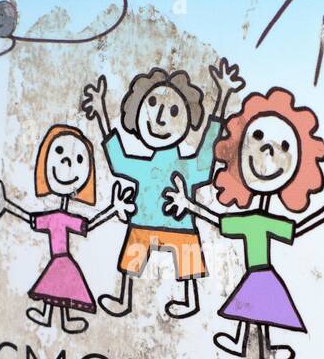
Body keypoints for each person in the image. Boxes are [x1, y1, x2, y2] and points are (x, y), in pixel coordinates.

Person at [161, 87, 324, 359]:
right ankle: (246, 344)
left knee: (257, 307)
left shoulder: (266, 221)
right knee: (253, 307)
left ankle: (259, 347)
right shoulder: (247, 220)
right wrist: (189, 204)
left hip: (263, 273)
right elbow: (218, 221)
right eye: (257, 137)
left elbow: (297, 229)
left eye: (284, 146)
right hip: (258, 273)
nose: (269, 151)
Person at [81, 58, 244, 319]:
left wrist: (223, 97)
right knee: (133, 251)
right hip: (143, 222)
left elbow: (205, 161)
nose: (160, 118)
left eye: (174, 111)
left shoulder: (187, 167)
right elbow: (118, 161)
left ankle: (190, 298)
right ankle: (125, 298)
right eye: (153, 105)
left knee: (188, 255)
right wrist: (100, 111)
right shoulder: (144, 167)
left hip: (180, 226)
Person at [0, 124, 135, 334]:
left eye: (79, 159)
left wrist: (113, 209)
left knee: (61, 287)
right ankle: (49, 317)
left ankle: (63, 319)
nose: (67, 162)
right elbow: (29, 218)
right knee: (56, 287)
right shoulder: (52, 217)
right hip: (59, 259)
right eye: (59, 152)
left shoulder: (65, 218)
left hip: (63, 258)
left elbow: (89, 225)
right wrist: (5, 204)